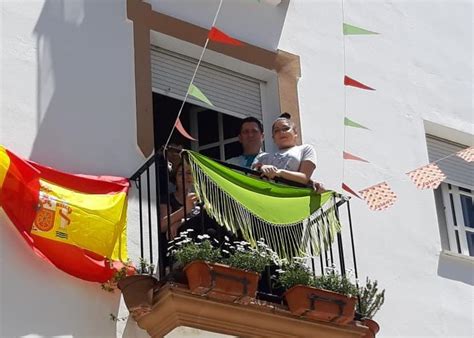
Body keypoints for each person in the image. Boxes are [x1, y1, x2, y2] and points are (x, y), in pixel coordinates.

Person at [253, 113, 324, 191]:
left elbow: (304, 178)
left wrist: (279, 173)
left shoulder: (305, 149)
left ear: (295, 133)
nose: (281, 132)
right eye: (276, 131)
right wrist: (261, 167)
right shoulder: (262, 156)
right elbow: (250, 176)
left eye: (286, 128)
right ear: (273, 138)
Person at [159, 158, 197, 239]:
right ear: (175, 178)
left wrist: (179, 223)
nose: (185, 177)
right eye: (180, 174)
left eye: (189, 173)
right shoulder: (167, 199)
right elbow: (162, 226)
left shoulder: (200, 199)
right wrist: (185, 210)